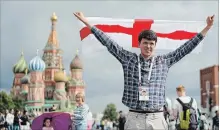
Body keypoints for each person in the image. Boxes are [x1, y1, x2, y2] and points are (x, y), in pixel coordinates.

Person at [73, 12, 214, 130]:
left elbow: (186, 48)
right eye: (145, 43)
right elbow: (109, 43)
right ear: (139, 43)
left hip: (157, 117)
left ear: (155, 45)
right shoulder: (128, 59)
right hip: (135, 117)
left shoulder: (163, 61)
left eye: (151, 43)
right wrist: (86, 22)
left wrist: (206, 28)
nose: (148, 46)